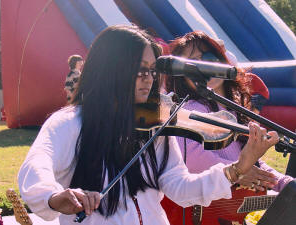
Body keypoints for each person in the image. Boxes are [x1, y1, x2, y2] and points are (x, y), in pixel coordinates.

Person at [18, 25, 278, 225]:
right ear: (112, 70)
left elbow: (180, 187)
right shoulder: (70, 123)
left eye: (153, 70)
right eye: (140, 70)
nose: (149, 79)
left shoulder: (153, 126)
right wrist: (52, 196)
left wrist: (237, 169)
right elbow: (36, 166)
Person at [163, 30, 293, 224]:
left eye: (208, 57)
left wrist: (284, 183)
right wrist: (238, 171)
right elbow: (192, 159)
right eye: (194, 62)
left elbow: (250, 163)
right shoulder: (188, 110)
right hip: (192, 212)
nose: (204, 66)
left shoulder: (236, 109)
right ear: (183, 76)